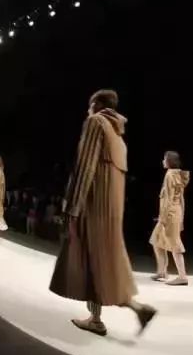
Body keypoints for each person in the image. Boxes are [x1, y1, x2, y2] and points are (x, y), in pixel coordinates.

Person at [49, 89, 156, 337]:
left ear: (96, 104)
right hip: (111, 213)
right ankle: (135, 310)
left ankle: (98, 319)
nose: (87, 111)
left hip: (92, 206)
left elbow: (85, 166)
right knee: (104, 265)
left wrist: (72, 207)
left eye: (89, 106)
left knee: (88, 261)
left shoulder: (96, 122)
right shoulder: (118, 137)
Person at [149, 151, 191, 286]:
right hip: (175, 213)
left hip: (169, 215)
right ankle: (162, 271)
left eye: (164, 159)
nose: (163, 161)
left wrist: (162, 219)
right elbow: (181, 199)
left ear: (169, 162)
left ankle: (182, 276)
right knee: (157, 240)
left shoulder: (169, 175)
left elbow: (168, 199)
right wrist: (181, 218)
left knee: (175, 244)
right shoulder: (178, 175)